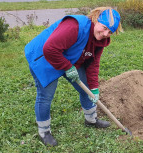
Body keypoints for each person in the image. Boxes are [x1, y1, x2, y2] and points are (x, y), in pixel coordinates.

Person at [24, 7, 123, 146]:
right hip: (44, 57)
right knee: (45, 96)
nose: (105, 33)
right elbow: (50, 49)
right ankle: (44, 132)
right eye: (104, 27)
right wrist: (67, 67)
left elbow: (93, 64)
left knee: (86, 88)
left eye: (110, 32)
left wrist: (94, 88)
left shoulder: (99, 41)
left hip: (70, 57)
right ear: (96, 19)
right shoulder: (76, 26)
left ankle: (91, 119)